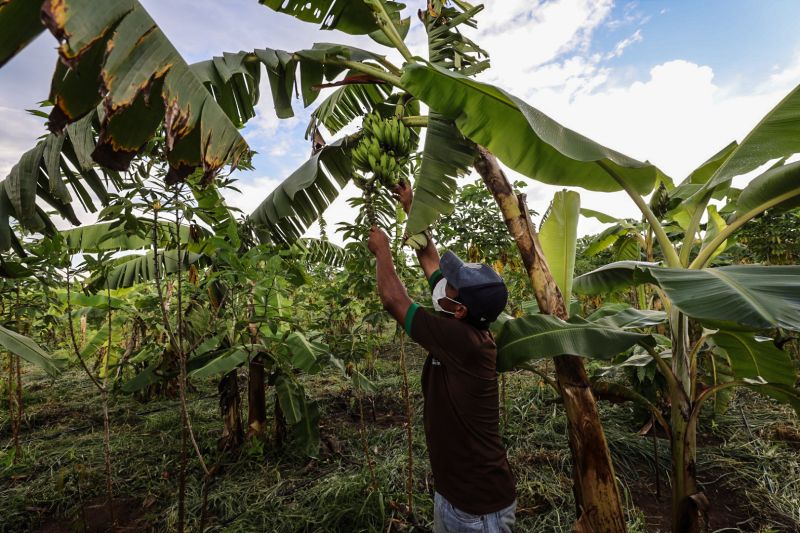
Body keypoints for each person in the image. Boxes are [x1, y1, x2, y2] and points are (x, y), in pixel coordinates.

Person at [366, 182, 517, 533]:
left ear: (461, 309)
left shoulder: (463, 341)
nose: (442, 283)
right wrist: (411, 208)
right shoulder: (461, 316)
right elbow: (431, 260)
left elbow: (393, 300)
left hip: (479, 511)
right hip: (454, 496)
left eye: (450, 285)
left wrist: (383, 251)